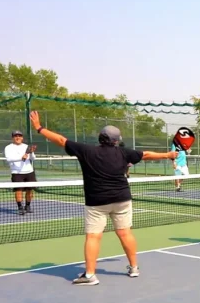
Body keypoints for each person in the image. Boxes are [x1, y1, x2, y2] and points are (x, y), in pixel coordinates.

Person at [30, 111, 179, 285]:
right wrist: (168, 155)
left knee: (93, 237)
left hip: (97, 202)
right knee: (125, 233)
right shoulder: (124, 153)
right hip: (122, 199)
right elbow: (146, 155)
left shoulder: (86, 151)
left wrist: (39, 128)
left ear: (101, 137)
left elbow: (61, 140)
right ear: (116, 140)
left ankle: (90, 275)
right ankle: (134, 268)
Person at [4, 129, 37, 215]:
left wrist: (32, 153)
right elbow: (9, 159)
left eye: (19, 136)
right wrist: (21, 157)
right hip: (17, 172)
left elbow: (33, 158)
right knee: (18, 190)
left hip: (29, 171)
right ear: (12, 138)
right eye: (16, 136)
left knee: (30, 190)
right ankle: (20, 207)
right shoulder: (8, 147)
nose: (18, 137)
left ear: (22, 138)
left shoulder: (26, 146)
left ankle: (27, 206)